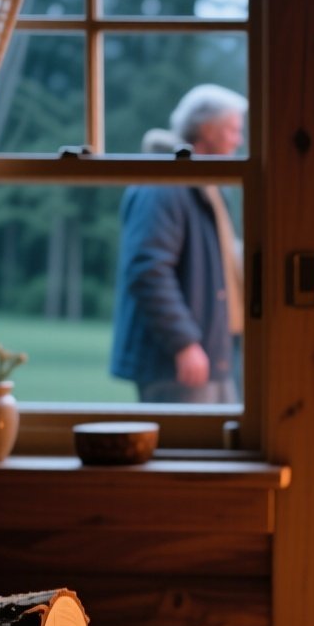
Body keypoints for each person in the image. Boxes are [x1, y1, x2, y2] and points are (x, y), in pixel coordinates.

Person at [111, 85, 246, 403]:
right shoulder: (164, 185)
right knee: (188, 449)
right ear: (206, 131)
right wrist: (183, 342)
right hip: (178, 362)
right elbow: (148, 269)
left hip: (211, 353)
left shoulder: (206, 186)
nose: (237, 141)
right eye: (231, 130)